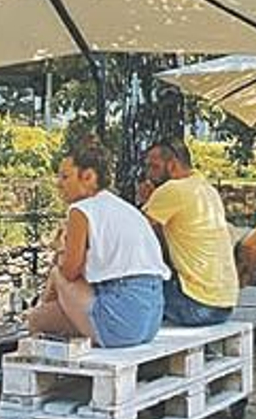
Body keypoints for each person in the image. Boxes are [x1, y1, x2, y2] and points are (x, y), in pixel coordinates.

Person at [24, 139, 168, 348]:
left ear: (89, 176)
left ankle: (39, 327)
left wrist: (61, 253)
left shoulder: (81, 210)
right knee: (49, 315)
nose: (59, 183)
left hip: (119, 321)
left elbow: (69, 273)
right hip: (151, 320)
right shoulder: (124, 208)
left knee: (40, 312)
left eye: (65, 176)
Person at [141, 137, 238, 327]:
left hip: (197, 305)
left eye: (153, 167)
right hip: (224, 304)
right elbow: (162, 240)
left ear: (172, 165)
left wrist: (144, 202)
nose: (148, 174)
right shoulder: (206, 188)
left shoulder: (172, 190)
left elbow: (135, 235)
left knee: (128, 286)